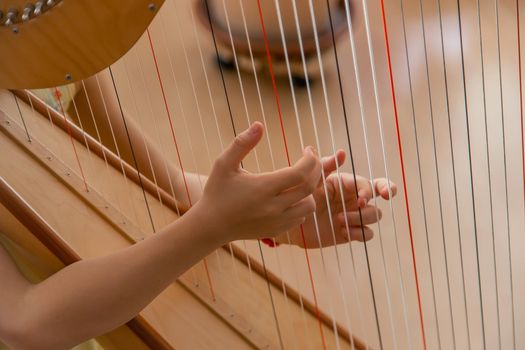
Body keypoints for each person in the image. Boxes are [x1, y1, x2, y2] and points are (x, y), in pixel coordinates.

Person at [0, 71, 396, 348]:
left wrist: (282, 210)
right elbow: (25, 323)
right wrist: (212, 225)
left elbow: (168, 186)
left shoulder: (47, 35)